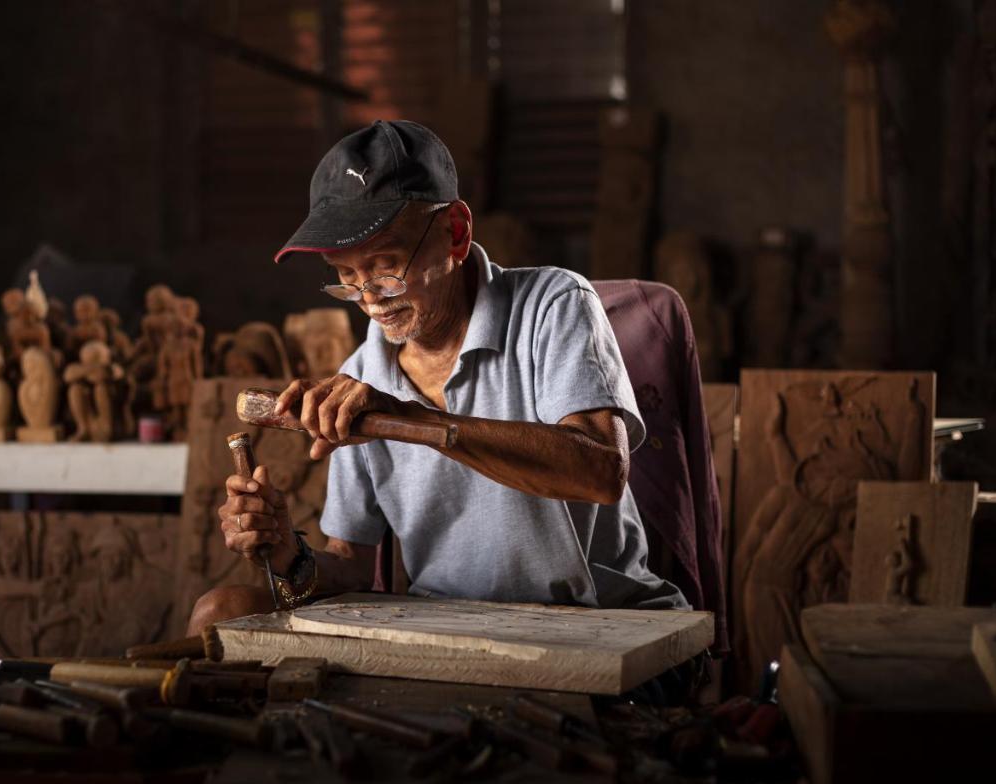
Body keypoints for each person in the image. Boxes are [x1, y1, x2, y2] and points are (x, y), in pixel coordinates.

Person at [188, 120, 686, 638]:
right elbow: (351, 564)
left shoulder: (553, 305)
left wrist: (410, 421)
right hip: (451, 628)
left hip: (595, 626)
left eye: (385, 266)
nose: (370, 298)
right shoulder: (361, 375)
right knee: (218, 612)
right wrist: (291, 554)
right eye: (345, 276)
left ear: (455, 233)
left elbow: (603, 471)